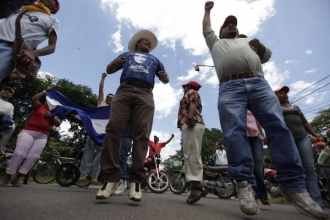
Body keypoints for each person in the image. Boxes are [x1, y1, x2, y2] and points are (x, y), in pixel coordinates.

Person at [202, 1, 328, 218]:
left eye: (234, 25)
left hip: (259, 83)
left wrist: (258, 48)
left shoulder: (249, 40)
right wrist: (207, 11)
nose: (232, 26)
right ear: (221, 31)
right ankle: (243, 184)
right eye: (228, 25)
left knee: (278, 128)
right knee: (234, 132)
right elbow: (206, 27)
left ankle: (293, 186)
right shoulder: (215, 43)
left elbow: (266, 57)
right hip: (230, 86)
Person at [95, 29, 169, 202]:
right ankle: (111, 178)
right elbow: (110, 68)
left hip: (145, 92)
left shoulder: (155, 60)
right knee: (113, 128)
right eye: (145, 42)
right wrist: (114, 64)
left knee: (142, 134)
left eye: (150, 43)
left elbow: (165, 79)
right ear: (137, 44)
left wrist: (165, 77)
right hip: (125, 89)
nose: (148, 44)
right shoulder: (127, 55)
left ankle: (135, 181)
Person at [0, 86, 61, 186]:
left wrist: (53, 117)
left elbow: (58, 123)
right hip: (29, 132)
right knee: (19, 153)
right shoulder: (39, 106)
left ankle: (17, 178)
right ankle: (7, 177)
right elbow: (33, 99)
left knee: (33, 157)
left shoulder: (55, 113)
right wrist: (45, 91)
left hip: (42, 136)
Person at [275, 86, 323, 206]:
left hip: (303, 138)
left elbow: (305, 122)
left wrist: (315, 134)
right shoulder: (274, 108)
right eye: (281, 93)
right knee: (298, 168)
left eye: (285, 93)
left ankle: (317, 202)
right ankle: (303, 199)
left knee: (310, 169)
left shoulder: (295, 107)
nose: (284, 95)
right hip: (288, 140)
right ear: (275, 97)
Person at [0, 0, 60, 84]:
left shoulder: (53, 21)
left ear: (55, 7)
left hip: (9, 49)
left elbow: (52, 47)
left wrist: (33, 53)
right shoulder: (22, 8)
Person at [77, 73, 114, 185]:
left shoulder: (114, 110)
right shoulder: (101, 103)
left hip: (104, 135)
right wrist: (103, 78)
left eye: (112, 98)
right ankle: (83, 174)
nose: (109, 98)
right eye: (108, 97)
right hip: (94, 132)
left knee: (99, 156)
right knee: (88, 153)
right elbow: (101, 90)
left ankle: (94, 176)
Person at [177, 80, 206, 204]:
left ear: (189, 86)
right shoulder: (189, 93)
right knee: (189, 154)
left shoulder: (191, 92)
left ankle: (197, 187)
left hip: (191, 124)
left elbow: (193, 104)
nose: (183, 88)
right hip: (190, 124)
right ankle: (199, 185)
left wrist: (189, 118)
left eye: (185, 86)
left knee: (192, 154)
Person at [246, 110, 269, 205]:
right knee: (249, 165)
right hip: (244, 136)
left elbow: (258, 122)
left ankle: (262, 195)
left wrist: (262, 134)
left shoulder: (253, 106)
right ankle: (252, 194)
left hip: (257, 137)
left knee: (258, 166)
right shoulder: (238, 105)